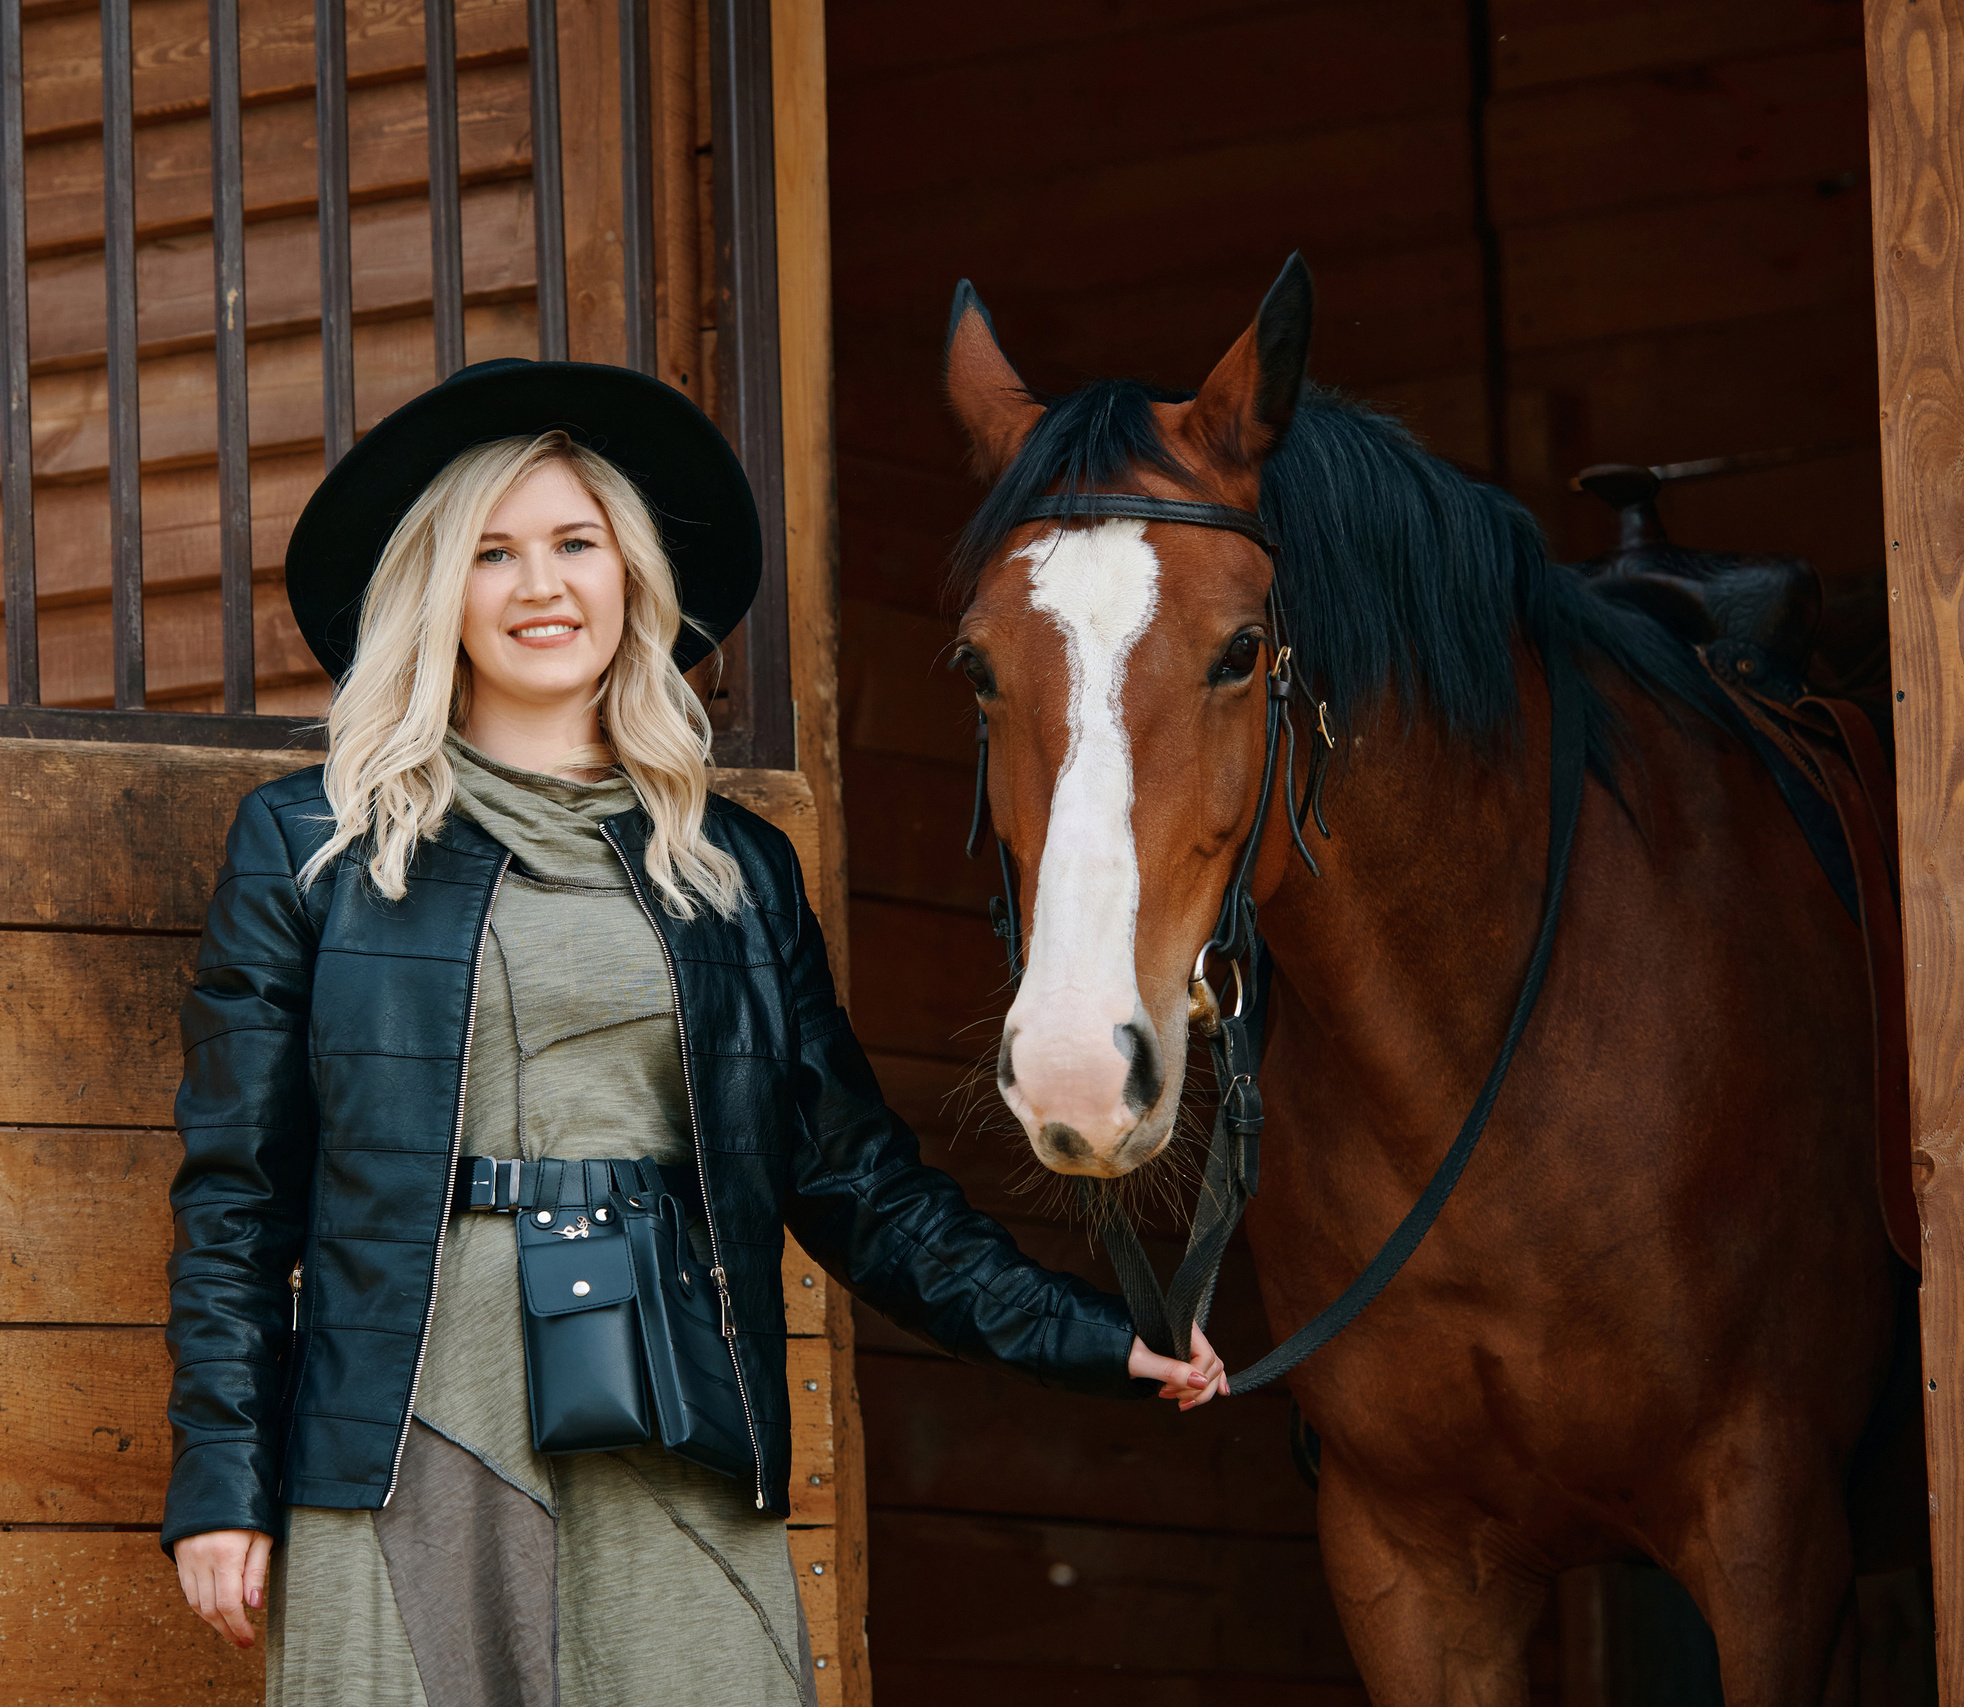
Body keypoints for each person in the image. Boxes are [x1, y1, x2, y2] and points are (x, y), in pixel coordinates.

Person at [159, 357, 1224, 1706]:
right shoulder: (309, 844)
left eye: (573, 544)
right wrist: (220, 1485)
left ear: (630, 577)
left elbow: (852, 1183)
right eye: (493, 552)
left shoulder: (731, 869)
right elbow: (239, 1198)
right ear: (440, 588)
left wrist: (1085, 1337)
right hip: (405, 1427)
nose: (540, 586)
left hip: (670, 1408)